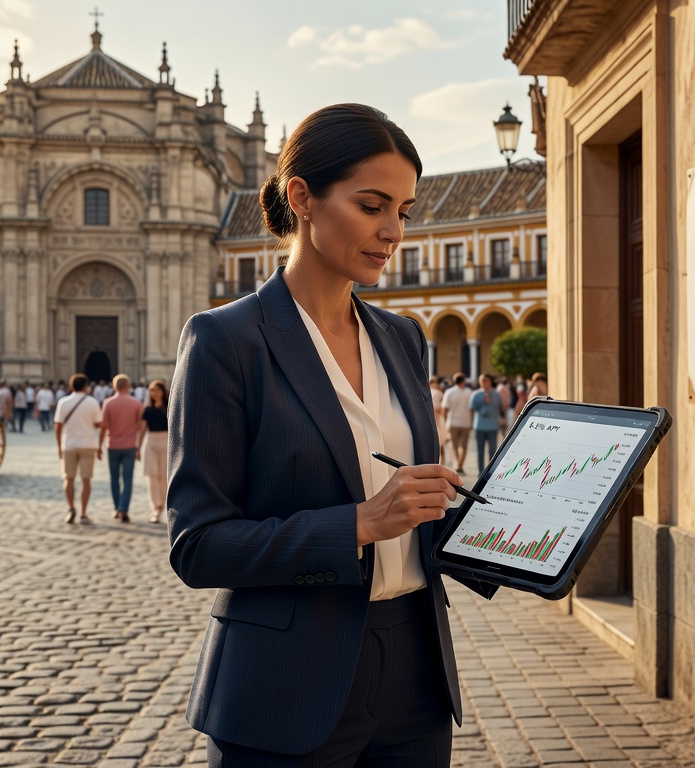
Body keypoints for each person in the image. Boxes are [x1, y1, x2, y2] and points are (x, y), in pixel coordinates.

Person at [168, 103, 496, 767]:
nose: (392, 230)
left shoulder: (401, 337)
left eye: (403, 211)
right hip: (282, 683)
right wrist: (356, 524)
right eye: (372, 205)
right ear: (302, 198)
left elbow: (413, 515)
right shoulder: (226, 340)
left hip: (415, 674)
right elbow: (198, 546)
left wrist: (512, 533)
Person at [54, 373, 103, 524]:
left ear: (71, 386)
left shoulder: (63, 402)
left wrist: (58, 446)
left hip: (69, 445)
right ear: (86, 386)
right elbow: (98, 424)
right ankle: (83, 513)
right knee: (86, 480)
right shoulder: (93, 402)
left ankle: (70, 508)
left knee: (68, 479)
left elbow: (58, 426)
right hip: (88, 445)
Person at [98, 374, 143, 523]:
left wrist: (99, 446)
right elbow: (140, 426)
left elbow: (103, 427)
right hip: (130, 445)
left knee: (114, 478)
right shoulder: (136, 403)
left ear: (115, 386)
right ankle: (124, 508)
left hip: (113, 445)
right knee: (128, 480)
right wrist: (139, 446)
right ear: (128, 386)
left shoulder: (108, 403)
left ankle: (117, 507)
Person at [138, 379, 169, 524]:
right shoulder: (148, 410)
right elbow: (142, 430)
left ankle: (166, 506)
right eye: (151, 390)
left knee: (165, 477)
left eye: (157, 389)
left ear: (163, 391)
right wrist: (137, 448)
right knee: (152, 476)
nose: (154, 393)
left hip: (167, 443)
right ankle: (156, 507)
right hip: (151, 443)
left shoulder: (169, 408)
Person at [469, 374, 502, 477]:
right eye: (483, 381)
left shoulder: (496, 394)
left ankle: (490, 471)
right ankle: (481, 472)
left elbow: (500, 407)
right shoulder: (476, 395)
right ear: (480, 382)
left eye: (487, 381)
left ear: (490, 382)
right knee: (480, 451)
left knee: (492, 451)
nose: (485, 383)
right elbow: (471, 408)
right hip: (480, 426)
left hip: (492, 426)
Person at [440, 372, 473, 474]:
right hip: (466, 422)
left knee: (454, 445)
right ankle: (460, 464)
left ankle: (456, 464)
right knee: (464, 445)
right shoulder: (469, 392)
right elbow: (471, 408)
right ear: (463, 381)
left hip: (452, 422)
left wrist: (444, 422)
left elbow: (444, 409)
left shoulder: (449, 392)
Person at [428, 377, 449, 464]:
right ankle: (441, 463)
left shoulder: (429, 392)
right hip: (438, 419)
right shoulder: (438, 393)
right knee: (440, 443)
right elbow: (442, 408)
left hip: (432, 419)